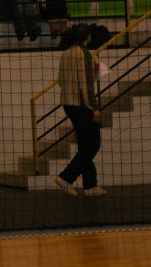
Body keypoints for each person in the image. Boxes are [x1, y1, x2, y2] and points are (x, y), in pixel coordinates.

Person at [54, 23, 106, 197]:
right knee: (93, 144)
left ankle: (90, 186)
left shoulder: (66, 53)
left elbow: (60, 81)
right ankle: (66, 178)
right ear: (88, 37)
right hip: (82, 105)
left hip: (68, 104)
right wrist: (94, 108)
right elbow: (87, 85)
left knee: (85, 145)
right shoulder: (85, 54)